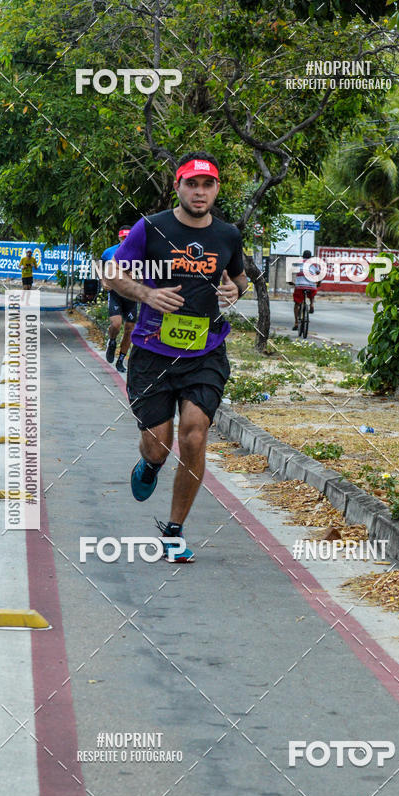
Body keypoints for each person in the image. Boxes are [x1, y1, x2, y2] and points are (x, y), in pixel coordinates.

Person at [104, 152, 248, 563]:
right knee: (158, 447)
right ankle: (149, 465)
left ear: (217, 189)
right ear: (178, 187)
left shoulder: (227, 236)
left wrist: (235, 292)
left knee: (195, 434)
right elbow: (112, 274)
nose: (199, 192)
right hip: (151, 353)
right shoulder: (152, 229)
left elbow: (239, 279)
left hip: (205, 351)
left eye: (208, 185)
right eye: (192, 184)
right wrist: (148, 294)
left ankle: (174, 530)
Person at [100, 228, 137, 373]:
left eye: (128, 237)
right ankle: (112, 341)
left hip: (131, 295)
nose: (125, 240)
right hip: (115, 293)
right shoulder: (109, 252)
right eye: (123, 237)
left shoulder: (138, 252)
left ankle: (121, 360)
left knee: (129, 329)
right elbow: (101, 269)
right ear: (119, 237)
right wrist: (103, 282)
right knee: (116, 324)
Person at [293, 249, 319, 330]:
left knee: (297, 304)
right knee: (312, 291)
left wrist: (290, 282)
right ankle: (311, 304)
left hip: (300, 285)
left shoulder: (299, 261)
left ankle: (296, 322)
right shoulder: (314, 263)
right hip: (311, 285)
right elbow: (319, 273)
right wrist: (319, 283)